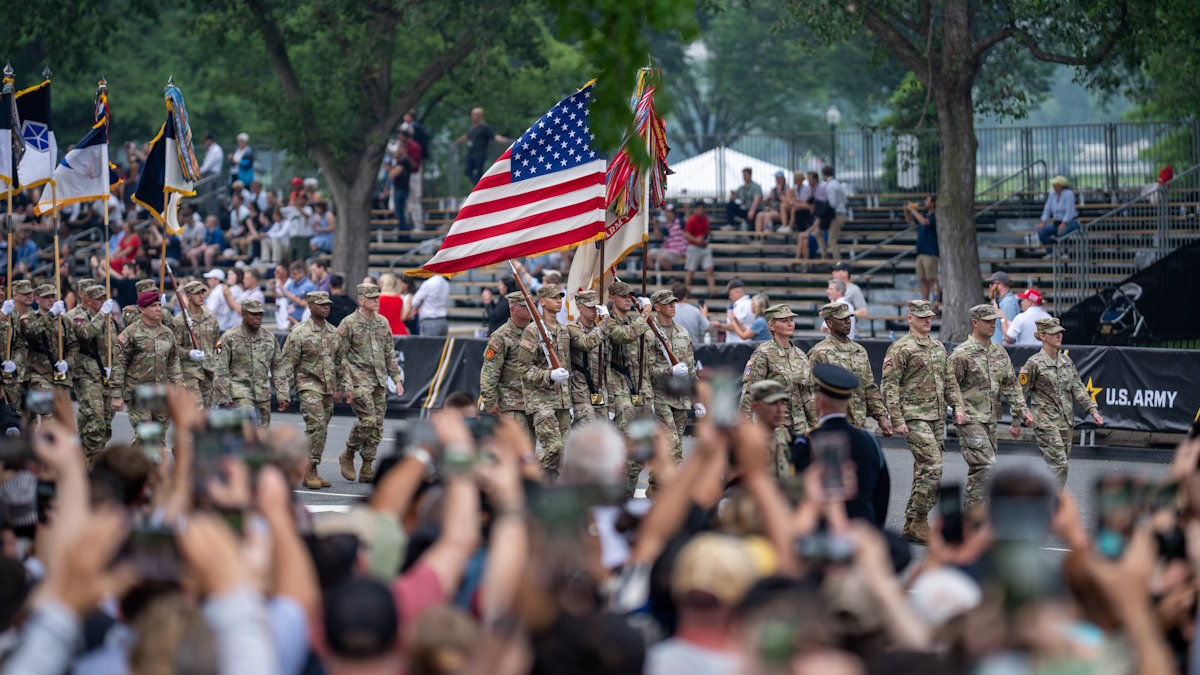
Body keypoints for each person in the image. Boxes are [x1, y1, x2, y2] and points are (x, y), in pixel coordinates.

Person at [881, 299, 965, 544]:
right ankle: (919, 520)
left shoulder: (938, 347)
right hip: (914, 415)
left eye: (929, 316)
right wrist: (896, 418)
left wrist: (958, 406)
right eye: (921, 317)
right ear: (910, 318)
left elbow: (950, 381)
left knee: (923, 470)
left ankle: (911, 524)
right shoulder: (900, 348)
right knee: (933, 467)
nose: (928, 320)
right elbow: (889, 386)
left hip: (937, 416)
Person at [949, 304, 1034, 511]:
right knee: (986, 465)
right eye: (987, 321)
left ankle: (978, 516)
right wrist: (957, 409)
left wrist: (1023, 411)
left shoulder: (999, 352)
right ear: (975, 323)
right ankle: (972, 519)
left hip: (990, 420)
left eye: (994, 321)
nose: (992, 325)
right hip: (969, 419)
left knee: (984, 470)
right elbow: (949, 386)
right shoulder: (961, 354)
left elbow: (1011, 385)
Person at [792, 363, 891, 525]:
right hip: (864, 528)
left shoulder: (808, 441)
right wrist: (875, 527)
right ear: (846, 403)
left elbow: (796, 496)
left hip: (823, 534)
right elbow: (882, 493)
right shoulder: (870, 441)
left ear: (819, 401)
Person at [1020, 317, 1104, 484]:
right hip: (1045, 422)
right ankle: (1051, 504)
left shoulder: (1066, 361)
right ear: (1043, 336)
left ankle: (1048, 501)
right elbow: (1020, 392)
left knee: (1059, 467)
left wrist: (1092, 410)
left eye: (1060, 333)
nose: (1059, 336)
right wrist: (1019, 417)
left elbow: (1078, 388)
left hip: (1065, 422)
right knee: (1059, 464)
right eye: (1054, 333)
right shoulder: (1033, 363)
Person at [739, 304, 817, 477]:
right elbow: (749, 391)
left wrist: (815, 426)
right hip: (775, 425)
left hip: (799, 426)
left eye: (791, 320)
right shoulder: (763, 354)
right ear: (771, 325)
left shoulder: (801, 355)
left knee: (799, 473)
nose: (790, 324)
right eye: (784, 320)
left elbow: (808, 394)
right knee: (777, 473)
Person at [337, 283, 404, 483]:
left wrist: (397, 379)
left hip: (379, 381)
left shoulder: (383, 323)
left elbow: (389, 353)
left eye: (377, 297)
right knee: (368, 421)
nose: (377, 301)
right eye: (373, 298)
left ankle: (367, 467)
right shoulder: (348, 323)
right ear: (361, 300)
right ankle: (348, 453)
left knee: (377, 426)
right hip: (358, 380)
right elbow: (340, 357)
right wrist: (347, 384)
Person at [277, 291, 341, 489]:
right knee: (318, 425)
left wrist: (340, 387)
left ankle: (310, 468)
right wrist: (282, 393)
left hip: (328, 388)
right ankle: (309, 469)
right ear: (311, 306)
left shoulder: (333, 332)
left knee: (321, 429)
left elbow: (339, 363)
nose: (326, 307)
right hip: (307, 386)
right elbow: (286, 365)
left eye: (328, 304)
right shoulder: (299, 332)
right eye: (321, 304)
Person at [808, 302, 891, 435]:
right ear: (829, 323)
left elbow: (869, 387)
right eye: (842, 319)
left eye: (849, 318)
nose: (848, 321)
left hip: (859, 426)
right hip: (833, 428)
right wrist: (816, 427)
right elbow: (810, 392)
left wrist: (882, 418)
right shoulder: (819, 352)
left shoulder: (860, 351)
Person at [517, 283, 573, 479]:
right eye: (554, 297)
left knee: (563, 456)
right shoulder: (532, 331)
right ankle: (524, 473)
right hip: (541, 401)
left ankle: (547, 493)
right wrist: (547, 375)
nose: (559, 301)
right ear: (542, 301)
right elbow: (523, 368)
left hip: (563, 400)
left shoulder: (564, 330)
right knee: (554, 448)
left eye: (560, 297)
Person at [109, 291, 182, 433]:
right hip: (138, 393)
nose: (159, 309)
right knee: (146, 436)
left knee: (158, 438)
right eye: (153, 306)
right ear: (142, 309)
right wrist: (116, 394)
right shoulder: (130, 333)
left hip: (161, 393)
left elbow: (173, 363)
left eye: (160, 305)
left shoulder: (167, 333)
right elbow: (119, 364)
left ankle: (136, 456)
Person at [68, 284, 120, 463]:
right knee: (96, 420)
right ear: (88, 300)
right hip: (87, 376)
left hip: (106, 376)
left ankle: (84, 457)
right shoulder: (81, 317)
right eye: (99, 299)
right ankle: (93, 463)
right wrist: (102, 314)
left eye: (105, 298)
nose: (103, 301)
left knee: (104, 423)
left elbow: (117, 341)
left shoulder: (109, 319)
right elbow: (85, 334)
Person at [646, 289, 696, 460]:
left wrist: (697, 399)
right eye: (668, 303)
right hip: (661, 396)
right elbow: (648, 370)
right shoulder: (650, 333)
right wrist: (669, 371)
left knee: (675, 451)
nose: (673, 306)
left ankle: (658, 486)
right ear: (657, 307)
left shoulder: (683, 332)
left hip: (681, 399)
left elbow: (690, 367)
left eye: (674, 302)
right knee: (671, 443)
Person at [213, 299, 282, 426]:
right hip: (240, 392)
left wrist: (283, 394)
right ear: (243, 314)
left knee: (262, 436)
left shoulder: (269, 338)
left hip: (263, 394)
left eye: (260, 314)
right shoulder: (228, 338)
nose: (258, 318)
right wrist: (223, 395)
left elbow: (278, 367)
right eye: (254, 314)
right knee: (248, 431)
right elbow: (220, 367)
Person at [479, 291, 535, 438]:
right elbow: (489, 371)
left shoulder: (536, 332)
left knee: (532, 449)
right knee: (518, 448)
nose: (530, 308)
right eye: (525, 306)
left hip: (534, 401)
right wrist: (490, 402)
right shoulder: (501, 336)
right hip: (511, 404)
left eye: (531, 305)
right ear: (513, 309)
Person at [604, 281, 653, 444]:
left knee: (643, 444)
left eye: (630, 296)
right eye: (623, 296)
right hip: (617, 384)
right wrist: (646, 312)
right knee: (626, 435)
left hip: (638, 385)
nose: (628, 300)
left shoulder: (634, 322)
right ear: (612, 298)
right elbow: (625, 336)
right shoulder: (608, 321)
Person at [172, 280, 220, 408]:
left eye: (202, 293)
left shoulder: (211, 319)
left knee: (206, 413)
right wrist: (189, 353)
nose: (201, 296)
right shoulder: (179, 320)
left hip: (208, 371)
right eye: (196, 293)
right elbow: (174, 349)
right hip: (189, 373)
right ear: (188, 296)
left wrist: (218, 363)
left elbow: (216, 344)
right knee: (196, 408)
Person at [566, 289, 609, 425]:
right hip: (581, 395)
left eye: (595, 307)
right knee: (588, 439)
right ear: (579, 308)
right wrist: (605, 321)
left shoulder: (600, 329)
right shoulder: (573, 328)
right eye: (590, 307)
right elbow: (586, 343)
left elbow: (606, 367)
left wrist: (611, 400)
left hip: (601, 394)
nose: (594, 311)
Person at [22, 284, 73, 394]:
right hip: (38, 373)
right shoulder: (29, 318)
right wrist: (51, 314)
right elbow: (31, 332)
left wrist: (67, 362)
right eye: (46, 297)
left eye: (52, 296)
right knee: (48, 408)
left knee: (62, 411)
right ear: (37, 299)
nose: (50, 300)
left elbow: (73, 344)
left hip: (60, 375)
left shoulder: (64, 321)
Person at [0, 280, 34, 413]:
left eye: (3, 289)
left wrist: (15, 363)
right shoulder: (5, 313)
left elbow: (20, 345)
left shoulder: (12, 315)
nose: (1, 293)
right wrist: (1, 314)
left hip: (9, 378)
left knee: (14, 418)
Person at [905, 194, 940, 310]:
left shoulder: (935, 216)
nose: (925, 202)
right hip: (920, 252)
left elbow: (925, 222)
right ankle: (925, 307)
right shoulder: (924, 214)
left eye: (927, 200)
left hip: (930, 253)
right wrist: (907, 210)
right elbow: (910, 221)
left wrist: (913, 210)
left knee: (933, 280)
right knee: (923, 281)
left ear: (933, 203)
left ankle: (935, 306)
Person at [456, 107, 507, 185]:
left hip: (480, 155)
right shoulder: (472, 128)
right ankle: (478, 186)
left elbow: (493, 135)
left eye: (475, 114)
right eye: (472, 114)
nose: (473, 116)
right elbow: (467, 135)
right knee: (467, 171)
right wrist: (460, 140)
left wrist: (503, 140)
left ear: (480, 116)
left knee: (479, 173)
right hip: (471, 155)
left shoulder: (484, 127)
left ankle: (481, 188)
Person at [1036, 175, 1080, 248]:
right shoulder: (1052, 193)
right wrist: (1043, 222)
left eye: (1055, 184)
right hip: (1057, 222)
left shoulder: (1069, 194)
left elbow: (1069, 211)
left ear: (1061, 185)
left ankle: (1065, 253)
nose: (1053, 185)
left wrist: (1064, 223)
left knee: (1062, 231)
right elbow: (1047, 208)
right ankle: (1051, 251)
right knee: (1041, 232)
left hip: (1071, 221)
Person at [682, 201, 715, 297]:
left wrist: (705, 238)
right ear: (697, 209)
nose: (703, 210)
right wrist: (696, 240)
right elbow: (686, 234)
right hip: (694, 247)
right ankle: (687, 291)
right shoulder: (692, 219)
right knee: (690, 270)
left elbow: (706, 231)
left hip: (704, 246)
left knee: (710, 269)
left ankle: (712, 290)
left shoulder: (705, 218)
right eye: (701, 208)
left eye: (704, 208)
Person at [709, 279, 755, 344]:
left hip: (739, 344)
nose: (729, 296)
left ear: (737, 291)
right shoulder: (748, 303)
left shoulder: (742, 305)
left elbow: (733, 326)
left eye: (730, 293)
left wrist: (719, 325)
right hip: (742, 343)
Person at [647, 205, 688, 271]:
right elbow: (658, 237)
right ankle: (655, 276)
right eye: (666, 211)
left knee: (661, 259)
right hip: (667, 250)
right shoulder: (665, 225)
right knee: (649, 255)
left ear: (673, 213)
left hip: (678, 251)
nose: (666, 213)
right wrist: (656, 226)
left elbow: (688, 220)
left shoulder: (680, 222)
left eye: (668, 211)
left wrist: (687, 208)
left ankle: (672, 278)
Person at [821, 165, 848, 261]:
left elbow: (832, 203)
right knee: (829, 238)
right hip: (841, 213)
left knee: (832, 241)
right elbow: (845, 200)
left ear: (823, 174)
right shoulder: (837, 183)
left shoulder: (830, 186)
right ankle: (826, 257)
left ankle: (838, 264)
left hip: (837, 214)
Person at [386, 142, 415, 231]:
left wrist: (390, 170)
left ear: (403, 149)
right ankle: (402, 227)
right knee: (399, 210)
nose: (397, 150)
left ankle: (403, 228)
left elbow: (392, 174)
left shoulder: (404, 161)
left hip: (401, 190)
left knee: (399, 210)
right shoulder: (402, 160)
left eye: (399, 148)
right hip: (400, 189)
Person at [278, 260, 315, 326]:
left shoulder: (308, 285)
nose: (292, 276)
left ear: (302, 273)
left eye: (294, 273)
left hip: (304, 321)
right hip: (291, 320)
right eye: (291, 273)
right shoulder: (292, 283)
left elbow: (300, 301)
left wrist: (283, 290)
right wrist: (273, 289)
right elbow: (282, 296)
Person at [988, 271, 1020, 346]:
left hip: (1002, 352)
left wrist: (1002, 354)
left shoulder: (1008, 302)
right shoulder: (1003, 301)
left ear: (1000, 285)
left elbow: (1009, 334)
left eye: (992, 283)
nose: (990, 286)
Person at [754, 170, 791, 234]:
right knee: (759, 215)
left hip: (780, 212)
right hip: (772, 210)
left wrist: (780, 196)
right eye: (776, 178)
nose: (776, 179)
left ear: (782, 179)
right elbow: (768, 200)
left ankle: (767, 235)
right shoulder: (773, 190)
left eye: (778, 178)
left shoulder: (787, 189)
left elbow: (789, 201)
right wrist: (766, 200)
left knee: (767, 216)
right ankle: (758, 236)